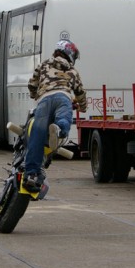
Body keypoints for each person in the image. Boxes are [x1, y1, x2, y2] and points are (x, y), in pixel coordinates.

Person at [24, 39, 87, 192]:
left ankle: (31, 174)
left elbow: (32, 84)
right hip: (63, 98)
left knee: (36, 138)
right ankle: (58, 129)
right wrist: (83, 106)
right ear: (70, 55)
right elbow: (79, 92)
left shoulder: (44, 64)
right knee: (64, 120)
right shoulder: (72, 71)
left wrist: (34, 94)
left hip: (44, 101)